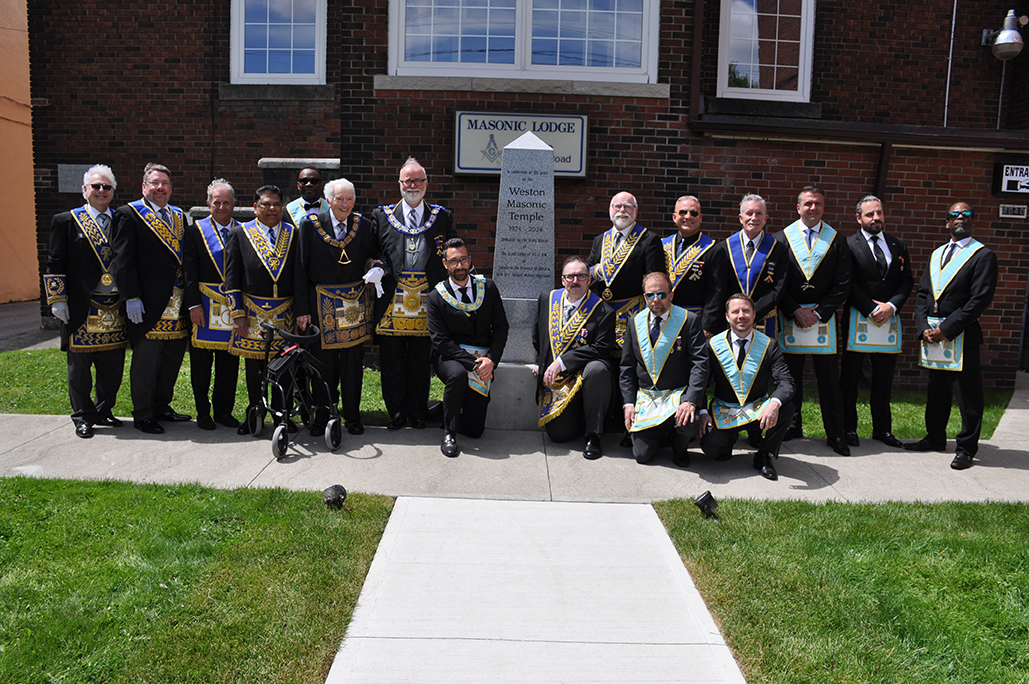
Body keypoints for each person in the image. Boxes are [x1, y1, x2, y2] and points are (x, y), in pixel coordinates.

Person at [908, 202, 998, 469]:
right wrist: (922, 326)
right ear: (947, 223)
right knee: (936, 391)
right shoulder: (936, 254)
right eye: (954, 215)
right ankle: (935, 437)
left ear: (973, 221)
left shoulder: (982, 255)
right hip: (932, 336)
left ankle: (966, 447)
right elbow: (924, 294)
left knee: (967, 396)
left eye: (966, 215)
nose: (960, 218)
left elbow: (979, 299)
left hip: (961, 335)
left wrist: (946, 329)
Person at [372, 157, 456, 429]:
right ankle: (396, 413)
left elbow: (454, 253)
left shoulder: (442, 217)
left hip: (426, 300)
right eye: (407, 180)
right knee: (392, 360)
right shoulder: (381, 216)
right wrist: (374, 266)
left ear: (426, 184)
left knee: (421, 361)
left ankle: (418, 411)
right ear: (399, 184)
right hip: (391, 301)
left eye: (418, 180)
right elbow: (373, 252)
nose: (412, 185)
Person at [44, 165, 127, 438]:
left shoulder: (122, 221)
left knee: (112, 367)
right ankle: (83, 416)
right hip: (81, 306)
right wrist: (57, 299)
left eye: (106, 187)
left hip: (114, 306)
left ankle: (104, 410)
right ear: (85, 190)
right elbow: (55, 261)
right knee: (79, 370)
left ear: (113, 191)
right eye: (96, 186)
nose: (101, 191)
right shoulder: (66, 221)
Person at [110, 163, 192, 434]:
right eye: (155, 183)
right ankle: (143, 413)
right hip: (147, 301)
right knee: (147, 362)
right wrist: (131, 296)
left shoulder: (179, 216)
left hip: (177, 302)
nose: (160, 188)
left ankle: (161, 406)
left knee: (171, 360)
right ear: (144, 187)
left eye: (165, 183)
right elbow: (122, 260)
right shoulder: (129, 214)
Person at [224, 185, 311, 435]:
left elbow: (299, 276)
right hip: (253, 313)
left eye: (276, 204)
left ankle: (281, 413)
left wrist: (302, 310)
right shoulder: (241, 233)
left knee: (284, 366)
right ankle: (255, 413)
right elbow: (232, 277)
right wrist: (237, 314)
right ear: (255, 207)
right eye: (265, 204)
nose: (271, 208)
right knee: (255, 369)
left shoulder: (292, 233)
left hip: (285, 311)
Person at [299, 178, 381, 436]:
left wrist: (373, 266)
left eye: (349, 199)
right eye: (339, 199)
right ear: (329, 201)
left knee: (353, 364)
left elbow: (374, 255)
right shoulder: (310, 226)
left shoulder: (365, 226)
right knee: (323, 365)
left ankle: (353, 416)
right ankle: (323, 413)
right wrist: (302, 308)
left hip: (353, 308)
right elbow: (300, 269)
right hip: (319, 306)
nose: (345, 204)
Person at [774, 185, 852, 456]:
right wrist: (794, 309)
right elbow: (778, 283)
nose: (813, 208)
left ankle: (835, 433)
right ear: (798, 207)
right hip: (791, 318)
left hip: (823, 320)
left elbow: (843, 283)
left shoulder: (838, 240)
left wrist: (818, 312)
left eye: (818, 203)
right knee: (790, 379)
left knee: (829, 381)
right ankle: (791, 426)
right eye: (807, 204)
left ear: (823, 207)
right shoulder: (781, 239)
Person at [840, 196, 913, 448]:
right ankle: (848, 427)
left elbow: (907, 281)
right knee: (850, 378)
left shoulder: (898, 244)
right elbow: (847, 282)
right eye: (870, 214)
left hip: (889, 321)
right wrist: (871, 308)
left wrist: (891, 306)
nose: (876, 218)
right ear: (859, 218)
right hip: (858, 318)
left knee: (883, 380)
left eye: (879, 213)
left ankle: (882, 429)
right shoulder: (848, 244)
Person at [426, 238, 509, 457]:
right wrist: (474, 364)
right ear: (445, 264)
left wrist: (492, 360)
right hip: (451, 356)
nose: (460, 266)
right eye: (454, 261)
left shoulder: (488, 287)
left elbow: (501, 328)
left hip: (484, 358)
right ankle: (449, 433)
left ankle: (445, 410)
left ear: (470, 260)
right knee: (458, 375)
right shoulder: (436, 297)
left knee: (475, 430)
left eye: (463, 260)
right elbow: (440, 340)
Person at [699, 294, 795, 480]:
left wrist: (774, 403)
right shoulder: (712, 345)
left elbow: (786, 381)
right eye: (735, 311)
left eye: (746, 311)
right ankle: (728, 439)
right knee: (712, 450)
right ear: (727, 316)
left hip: (758, 407)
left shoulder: (769, 345)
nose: (741, 316)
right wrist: (703, 411)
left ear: (754, 314)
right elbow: (700, 382)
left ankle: (764, 455)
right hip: (724, 408)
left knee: (786, 407)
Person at [619, 272, 708, 466]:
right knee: (641, 456)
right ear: (644, 297)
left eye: (661, 294)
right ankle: (660, 433)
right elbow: (627, 366)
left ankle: (680, 448)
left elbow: (700, 364)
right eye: (650, 295)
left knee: (689, 422)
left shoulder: (689, 320)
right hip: (647, 397)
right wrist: (628, 404)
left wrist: (692, 401)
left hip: (677, 394)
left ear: (671, 295)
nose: (656, 300)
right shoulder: (634, 323)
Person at [531, 256, 615, 460]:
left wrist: (561, 362)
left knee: (597, 369)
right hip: (558, 382)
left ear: (588, 279)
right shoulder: (547, 299)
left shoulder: (603, 310)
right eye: (570, 276)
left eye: (581, 276)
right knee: (558, 435)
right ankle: (579, 415)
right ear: (562, 280)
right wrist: (540, 362)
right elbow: (538, 335)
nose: (575, 281)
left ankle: (593, 434)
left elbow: (601, 348)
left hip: (586, 375)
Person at [182, 179, 242, 431]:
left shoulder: (244, 230)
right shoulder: (196, 231)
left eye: (226, 202)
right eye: (216, 202)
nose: (221, 206)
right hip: (204, 307)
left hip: (233, 307)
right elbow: (189, 271)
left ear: (233, 204)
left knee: (229, 364)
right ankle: (203, 412)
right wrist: (193, 305)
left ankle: (223, 411)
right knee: (202, 365)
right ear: (208, 203)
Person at [587, 191, 664, 352]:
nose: (622, 210)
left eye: (628, 207)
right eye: (618, 206)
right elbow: (586, 278)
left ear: (636, 212)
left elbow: (655, 281)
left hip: (633, 313)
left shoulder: (649, 240)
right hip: (604, 314)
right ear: (610, 210)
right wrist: (598, 271)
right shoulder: (600, 240)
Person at [662, 195, 722, 337]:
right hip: (664, 317)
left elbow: (716, 292)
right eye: (683, 212)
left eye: (693, 213)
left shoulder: (713, 249)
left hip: (695, 319)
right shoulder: (662, 245)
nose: (688, 217)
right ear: (674, 217)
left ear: (700, 218)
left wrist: (707, 325)